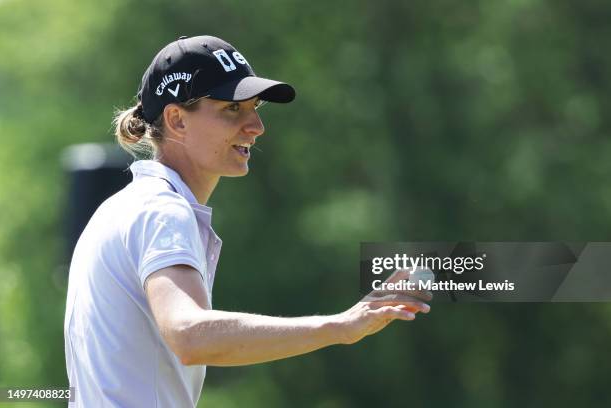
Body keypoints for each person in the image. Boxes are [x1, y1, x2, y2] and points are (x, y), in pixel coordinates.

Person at [63, 35, 431, 408]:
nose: (256, 126)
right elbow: (190, 335)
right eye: (232, 110)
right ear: (176, 120)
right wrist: (340, 326)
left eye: (255, 108)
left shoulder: (122, 208)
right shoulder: (162, 211)